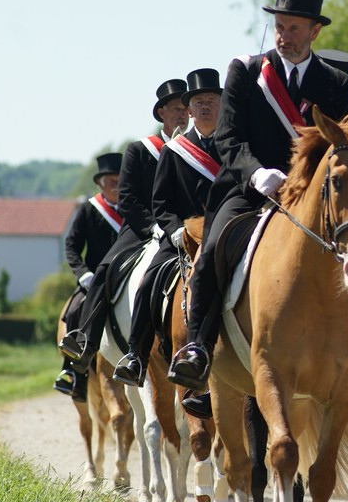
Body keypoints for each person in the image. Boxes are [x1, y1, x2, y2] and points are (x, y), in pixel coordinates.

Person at [167, 0, 348, 402]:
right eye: (280, 25)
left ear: (315, 31)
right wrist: (257, 173)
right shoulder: (245, 71)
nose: (284, 35)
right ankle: (198, 347)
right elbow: (228, 138)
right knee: (215, 243)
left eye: (295, 27)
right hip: (252, 187)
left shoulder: (335, 82)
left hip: (317, 193)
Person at [57, 80, 189, 369]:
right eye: (177, 109)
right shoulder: (140, 150)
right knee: (107, 268)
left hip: (184, 227)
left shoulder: (195, 148)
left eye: (186, 109)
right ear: (162, 113)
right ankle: (86, 341)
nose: (183, 115)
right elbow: (128, 199)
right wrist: (153, 228)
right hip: (144, 229)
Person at [113, 69, 222, 389]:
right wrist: (172, 229)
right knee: (151, 278)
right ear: (190, 109)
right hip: (183, 234)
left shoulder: (234, 146)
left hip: (224, 231)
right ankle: (135, 353)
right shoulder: (175, 151)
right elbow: (160, 201)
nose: (204, 107)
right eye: (198, 102)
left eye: (211, 101)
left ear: (222, 105)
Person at [53, 153, 125, 399]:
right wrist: (83, 274)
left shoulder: (134, 208)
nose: (115, 184)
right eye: (110, 180)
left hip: (127, 276)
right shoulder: (88, 210)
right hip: (93, 279)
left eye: (119, 179)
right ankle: (73, 372)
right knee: (73, 312)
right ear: (100, 184)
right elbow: (71, 246)